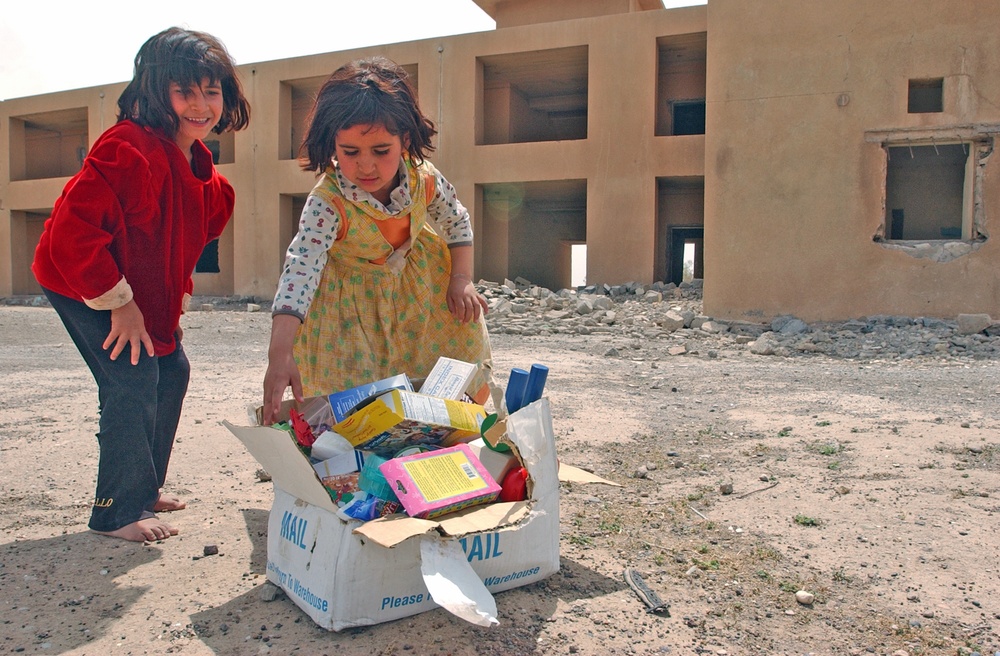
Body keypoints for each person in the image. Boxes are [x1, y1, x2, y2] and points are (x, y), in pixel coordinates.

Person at [31, 27, 251, 542]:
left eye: (211, 90)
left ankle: (144, 489)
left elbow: (180, 246)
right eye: (185, 91)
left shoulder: (210, 179)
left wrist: (169, 298)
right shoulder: (126, 148)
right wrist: (119, 305)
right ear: (156, 91)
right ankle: (115, 511)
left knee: (171, 369)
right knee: (131, 376)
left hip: (132, 289)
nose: (200, 104)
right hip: (78, 277)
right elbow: (72, 235)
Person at [263, 56, 491, 423]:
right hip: (350, 316)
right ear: (332, 145)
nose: (365, 165)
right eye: (350, 152)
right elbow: (300, 269)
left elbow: (456, 220)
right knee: (358, 407)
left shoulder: (423, 179)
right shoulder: (328, 202)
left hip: (419, 300)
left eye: (380, 151)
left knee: (443, 386)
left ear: (405, 140)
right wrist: (280, 353)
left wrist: (461, 280)